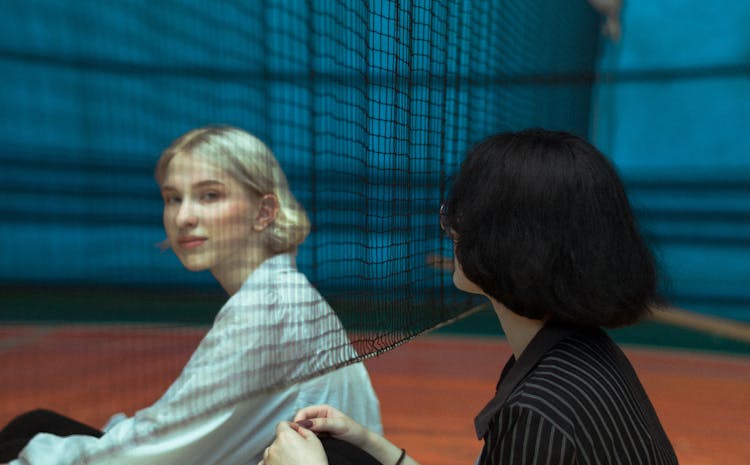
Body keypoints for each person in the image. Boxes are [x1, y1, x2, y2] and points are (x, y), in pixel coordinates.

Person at [261, 128, 678, 465]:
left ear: (513, 244)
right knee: (341, 454)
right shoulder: (576, 353)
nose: (451, 228)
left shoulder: (538, 410)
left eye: (461, 214)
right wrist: (372, 445)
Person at [0, 125, 382, 465]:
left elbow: (160, 448)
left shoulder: (265, 311)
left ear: (264, 212)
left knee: (26, 440)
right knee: (36, 425)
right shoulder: (282, 291)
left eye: (210, 195)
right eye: (172, 198)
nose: (183, 217)